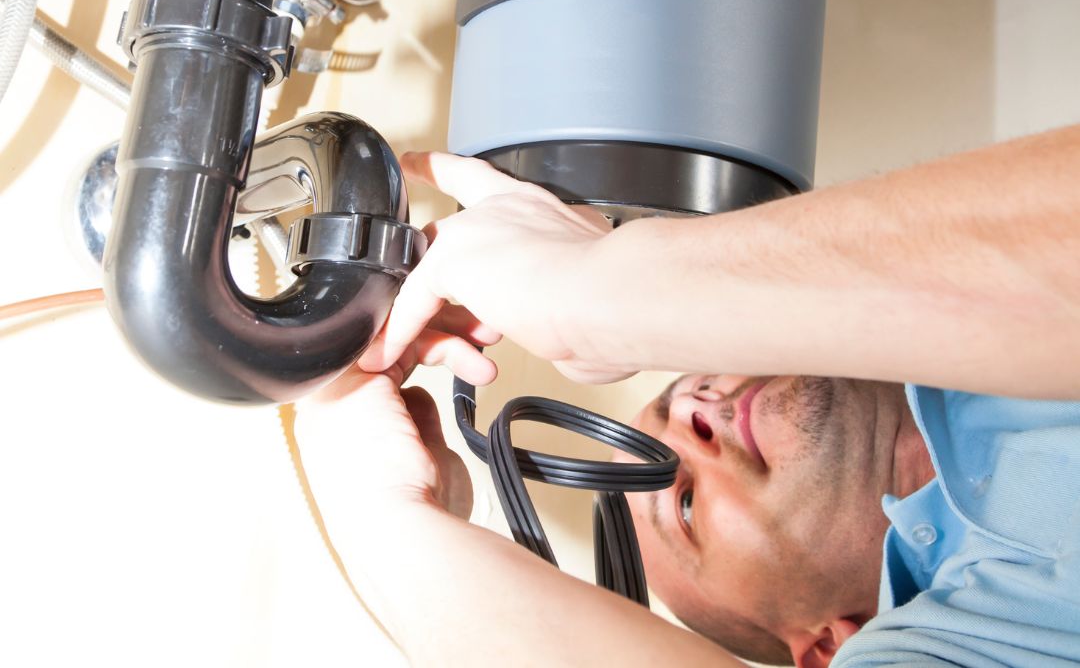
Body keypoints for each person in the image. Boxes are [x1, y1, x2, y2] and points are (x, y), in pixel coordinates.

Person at [294, 125, 1080, 666]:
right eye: (690, 507)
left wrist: (604, 292)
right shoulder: (978, 630)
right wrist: (378, 511)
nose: (693, 413)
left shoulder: (951, 296)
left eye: (670, 398)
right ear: (830, 647)